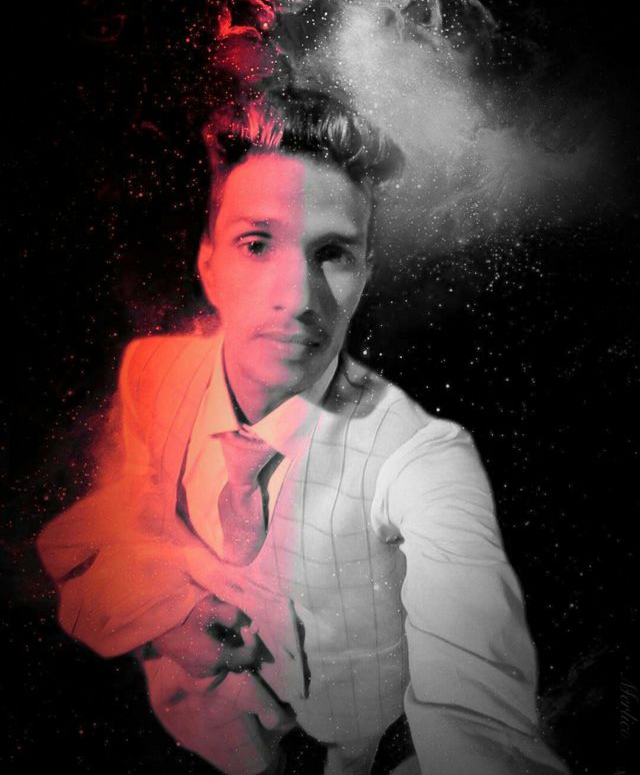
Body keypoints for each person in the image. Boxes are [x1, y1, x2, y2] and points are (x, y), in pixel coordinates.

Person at [36, 89, 571, 775]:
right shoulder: (153, 372)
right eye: (256, 243)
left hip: (356, 738)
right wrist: (166, 617)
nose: (296, 297)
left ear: (366, 274)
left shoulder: (423, 460)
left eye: (334, 254)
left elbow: (477, 715)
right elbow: (118, 521)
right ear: (208, 261)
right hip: (207, 731)